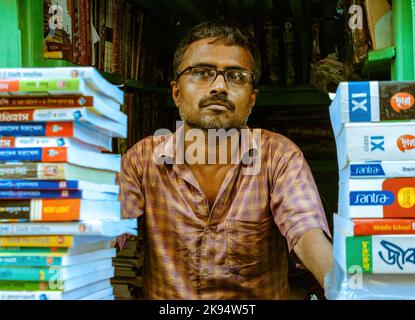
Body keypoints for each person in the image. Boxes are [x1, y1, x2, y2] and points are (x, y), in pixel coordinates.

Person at [120, 20, 333, 300]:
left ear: (252, 99)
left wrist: (347, 291)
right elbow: (105, 228)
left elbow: (307, 233)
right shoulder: (142, 159)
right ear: (176, 93)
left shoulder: (279, 156)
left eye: (235, 76)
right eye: (202, 73)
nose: (219, 87)